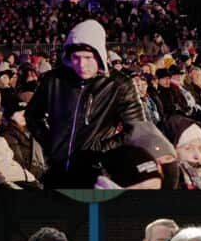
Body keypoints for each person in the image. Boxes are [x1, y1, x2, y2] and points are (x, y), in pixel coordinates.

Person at [26, 19, 146, 187]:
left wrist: (100, 149)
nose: (82, 65)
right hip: (57, 172)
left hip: (95, 174)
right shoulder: (54, 80)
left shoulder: (119, 85)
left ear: (99, 55)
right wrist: (51, 143)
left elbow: (137, 129)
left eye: (88, 58)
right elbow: (32, 115)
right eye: (76, 57)